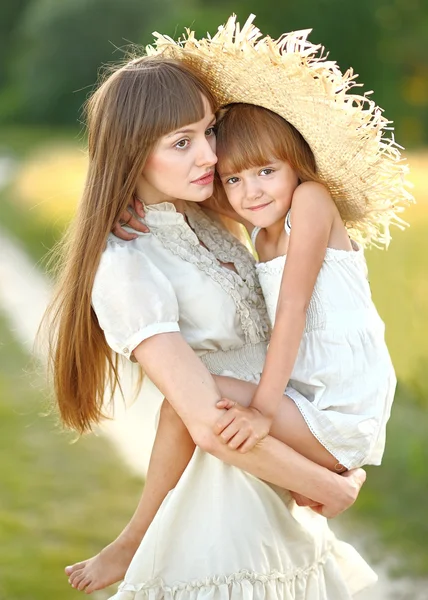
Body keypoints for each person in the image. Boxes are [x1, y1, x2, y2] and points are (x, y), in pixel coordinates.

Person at [46, 18, 387, 600]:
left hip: (282, 442)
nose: (210, 154)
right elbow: (203, 417)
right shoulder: (125, 262)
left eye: (208, 131)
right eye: (182, 143)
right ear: (132, 152)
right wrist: (332, 489)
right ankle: (134, 541)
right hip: (236, 466)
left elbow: (310, 283)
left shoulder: (210, 215)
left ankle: (132, 540)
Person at [206, 101, 398, 473]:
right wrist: (133, 203)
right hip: (300, 400)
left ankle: (327, 484)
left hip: (344, 408)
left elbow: (292, 308)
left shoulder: (310, 200)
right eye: (234, 179)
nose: (251, 192)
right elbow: (187, 190)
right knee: (188, 392)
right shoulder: (260, 229)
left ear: (296, 163)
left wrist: (261, 412)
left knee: (196, 388)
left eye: (266, 170)